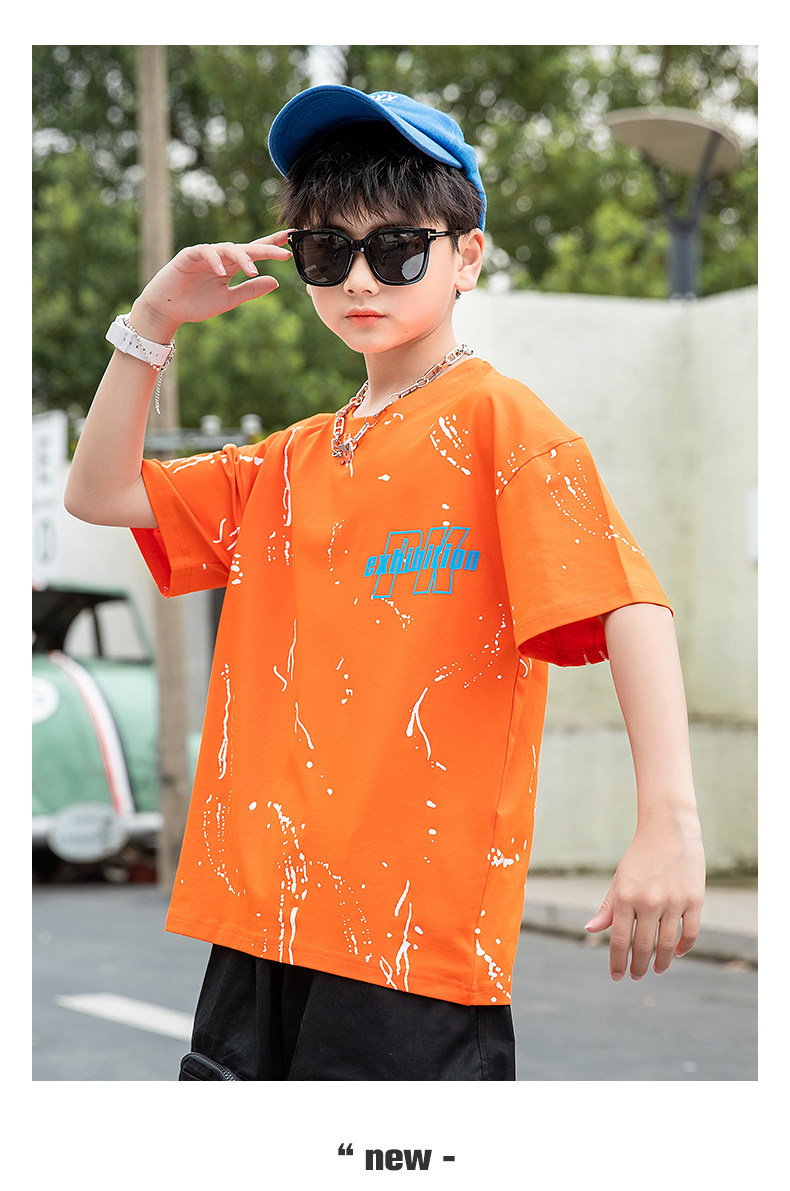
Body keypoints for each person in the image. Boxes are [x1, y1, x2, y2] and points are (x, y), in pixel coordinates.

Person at [65, 84, 705, 1082]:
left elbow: (629, 602)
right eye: (327, 251)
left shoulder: (502, 424)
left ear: (467, 256)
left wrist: (669, 825)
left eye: (397, 248)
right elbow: (100, 493)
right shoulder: (288, 460)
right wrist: (153, 320)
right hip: (260, 919)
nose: (360, 278)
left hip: (409, 941)